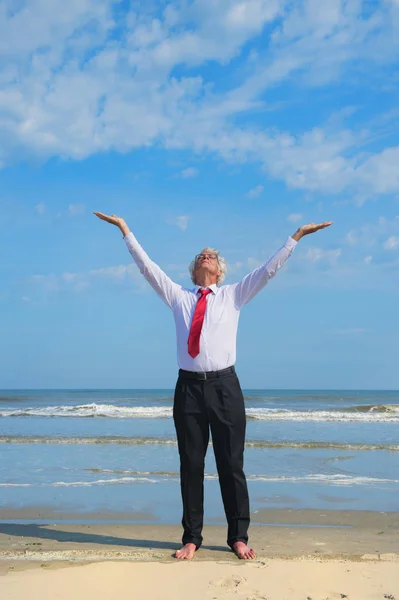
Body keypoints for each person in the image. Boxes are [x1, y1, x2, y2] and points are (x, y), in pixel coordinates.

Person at [94, 211, 332, 560]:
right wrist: (125, 230)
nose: (206, 255)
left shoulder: (234, 295)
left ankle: (238, 536)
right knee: (190, 464)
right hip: (188, 389)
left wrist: (295, 237)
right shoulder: (179, 297)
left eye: (212, 256)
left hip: (224, 388)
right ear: (194, 271)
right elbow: (147, 268)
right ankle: (191, 537)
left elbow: (268, 270)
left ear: (219, 271)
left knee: (230, 464)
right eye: (201, 255)